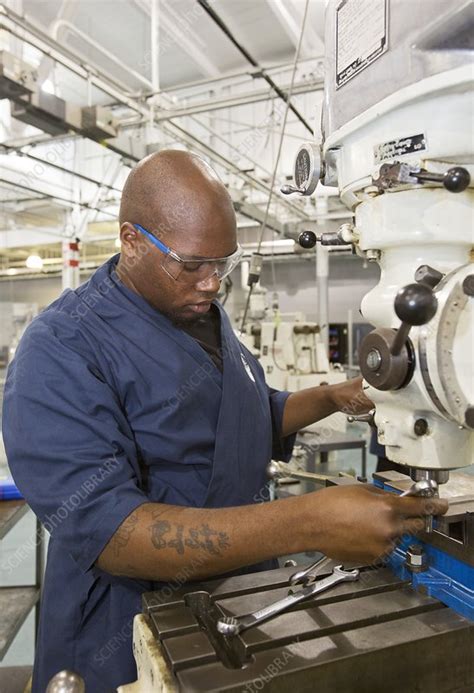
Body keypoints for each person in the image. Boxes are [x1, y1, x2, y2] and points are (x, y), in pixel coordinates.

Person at [2, 151, 447, 692]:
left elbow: (248, 416)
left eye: (223, 264)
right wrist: (307, 522)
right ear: (132, 239)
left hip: (240, 596)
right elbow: (113, 532)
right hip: (126, 622)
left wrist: (333, 395)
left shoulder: (203, 316)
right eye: (193, 265)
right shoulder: (63, 346)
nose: (213, 284)